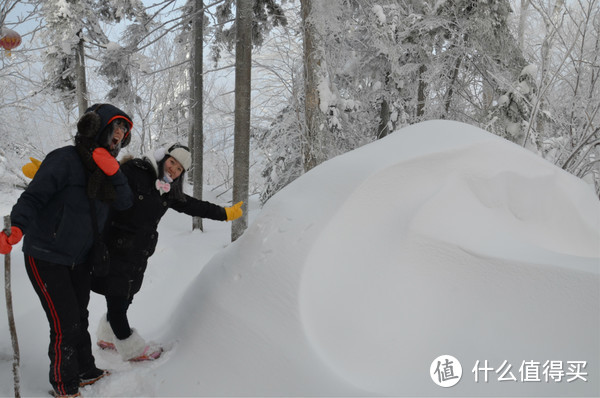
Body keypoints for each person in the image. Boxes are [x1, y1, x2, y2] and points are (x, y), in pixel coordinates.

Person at [0, 104, 134, 398]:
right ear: (95, 127)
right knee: (65, 323)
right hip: (45, 253)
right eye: (116, 126)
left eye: (125, 130)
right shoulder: (64, 160)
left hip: (79, 258)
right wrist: (18, 227)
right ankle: (64, 385)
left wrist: (115, 173)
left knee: (79, 318)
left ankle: (85, 371)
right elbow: (34, 197)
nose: (120, 134)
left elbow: (125, 204)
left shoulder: (109, 170)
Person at [91, 143, 243, 362]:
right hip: (116, 248)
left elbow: (194, 205)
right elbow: (103, 179)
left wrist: (224, 213)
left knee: (126, 296)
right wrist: (59, 173)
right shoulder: (135, 170)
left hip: (138, 254)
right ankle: (131, 349)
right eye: (172, 162)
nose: (173, 169)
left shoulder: (167, 190)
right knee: (117, 300)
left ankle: (107, 337)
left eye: (179, 168)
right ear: (164, 158)